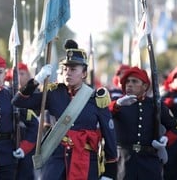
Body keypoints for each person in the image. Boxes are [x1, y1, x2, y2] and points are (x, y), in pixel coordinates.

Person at [12, 39, 118, 180]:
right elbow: (18, 101)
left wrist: (109, 172)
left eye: (73, 69)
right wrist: (37, 80)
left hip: (85, 162)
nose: (68, 73)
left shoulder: (96, 98)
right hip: (56, 161)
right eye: (65, 69)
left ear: (84, 73)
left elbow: (109, 135)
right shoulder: (54, 93)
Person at [108, 66, 177, 180]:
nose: (129, 84)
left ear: (145, 86)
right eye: (127, 81)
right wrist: (117, 104)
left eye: (134, 81)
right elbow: (103, 116)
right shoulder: (119, 104)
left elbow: (175, 127)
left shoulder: (155, 105)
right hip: (125, 162)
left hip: (149, 162)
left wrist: (166, 140)